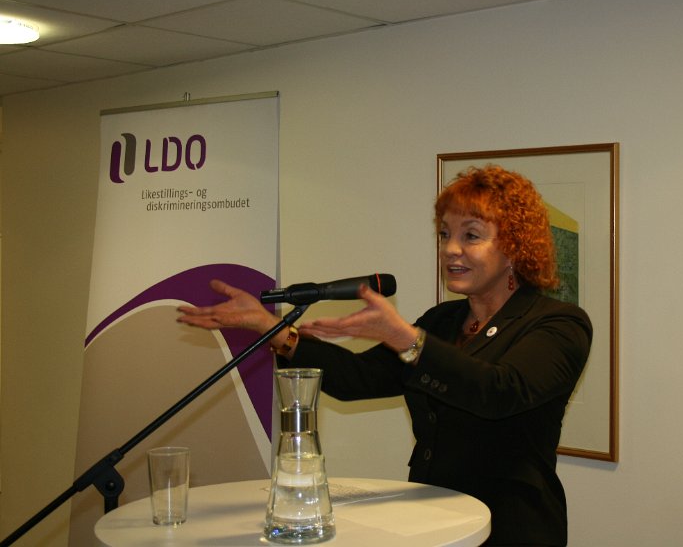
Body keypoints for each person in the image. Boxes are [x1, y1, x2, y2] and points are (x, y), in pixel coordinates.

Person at [177, 165, 592, 546]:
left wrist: (406, 338)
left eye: (471, 236)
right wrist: (273, 330)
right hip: (433, 521)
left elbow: (499, 392)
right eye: (444, 234)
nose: (450, 249)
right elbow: (358, 377)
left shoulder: (559, 323)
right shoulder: (442, 321)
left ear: (515, 246)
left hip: (512, 527)